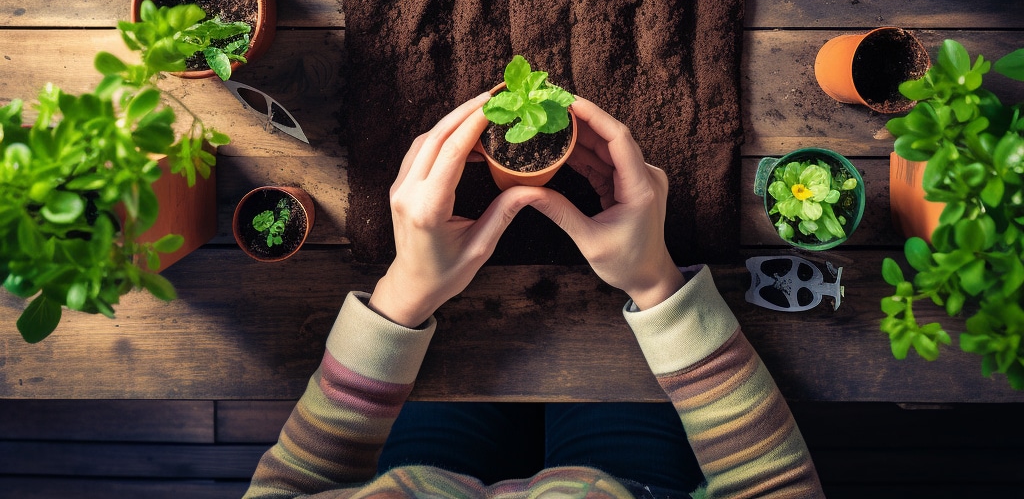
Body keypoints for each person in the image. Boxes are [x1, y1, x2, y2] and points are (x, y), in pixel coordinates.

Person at [243, 92, 825, 499]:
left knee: (451, 381)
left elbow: (287, 487)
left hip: (416, 481)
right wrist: (655, 283)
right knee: (610, 379)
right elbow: (774, 486)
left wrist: (401, 294)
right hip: (631, 485)